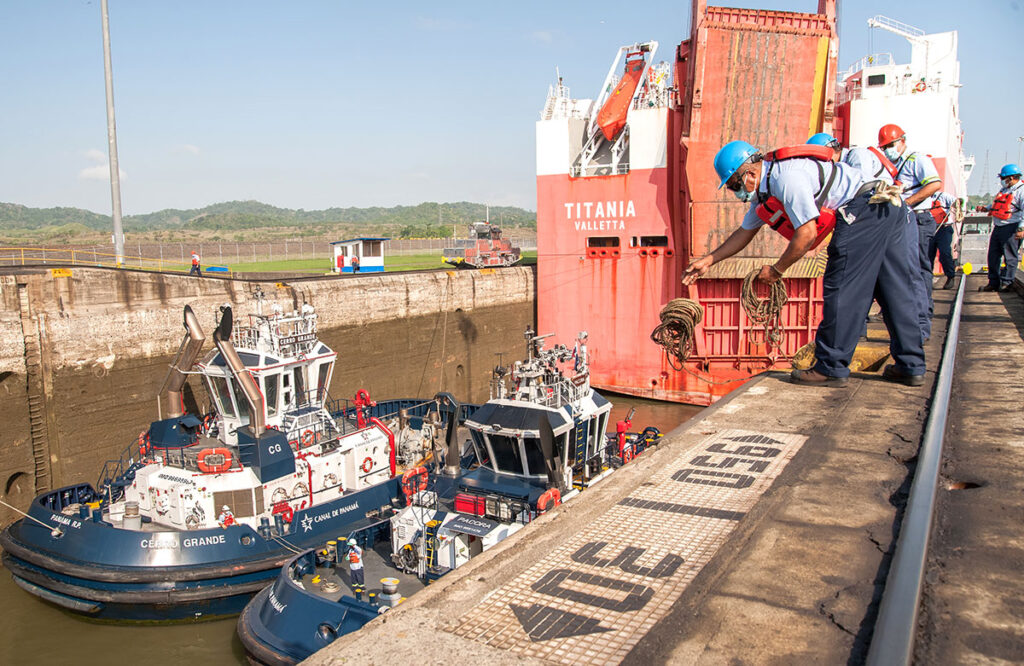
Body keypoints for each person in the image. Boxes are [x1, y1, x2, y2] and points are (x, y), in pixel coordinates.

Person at [683, 139, 926, 387]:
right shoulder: (767, 188)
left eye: (735, 184)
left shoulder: (786, 179)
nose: (736, 192)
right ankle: (911, 365)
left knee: (843, 288)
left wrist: (777, 270)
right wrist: (709, 261)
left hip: (863, 209)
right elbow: (744, 232)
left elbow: (806, 234)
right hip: (889, 207)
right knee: (894, 288)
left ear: (750, 173)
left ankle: (830, 367)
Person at [878, 124, 943, 340]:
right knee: (907, 269)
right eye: (885, 146)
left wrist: (908, 203)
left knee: (920, 270)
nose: (888, 149)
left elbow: (934, 185)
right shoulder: (895, 166)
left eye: (891, 144)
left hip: (919, 219)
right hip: (905, 219)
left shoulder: (918, 160)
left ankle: (923, 323)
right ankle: (914, 319)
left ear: (902, 141)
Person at [980, 164, 1024, 291]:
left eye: (1003, 178)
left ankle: (1007, 282)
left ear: (1010, 178)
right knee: (993, 255)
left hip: (1012, 227)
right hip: (998, 227)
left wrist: (1022, 228)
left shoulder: (1021, 190)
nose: (1002, 181)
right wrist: (987, 208)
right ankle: (993, 282)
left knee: (1010, 256)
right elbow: (998, 203)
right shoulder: (1005, 190)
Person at [927, 191, 959, 290]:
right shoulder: (922, 198)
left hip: (944, 228)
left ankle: (950, 276)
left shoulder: (943, 196)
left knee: (945, 252)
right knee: (927, 255)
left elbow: (957, 202)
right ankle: (927, 279)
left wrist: (958, 207)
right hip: (929, 229)